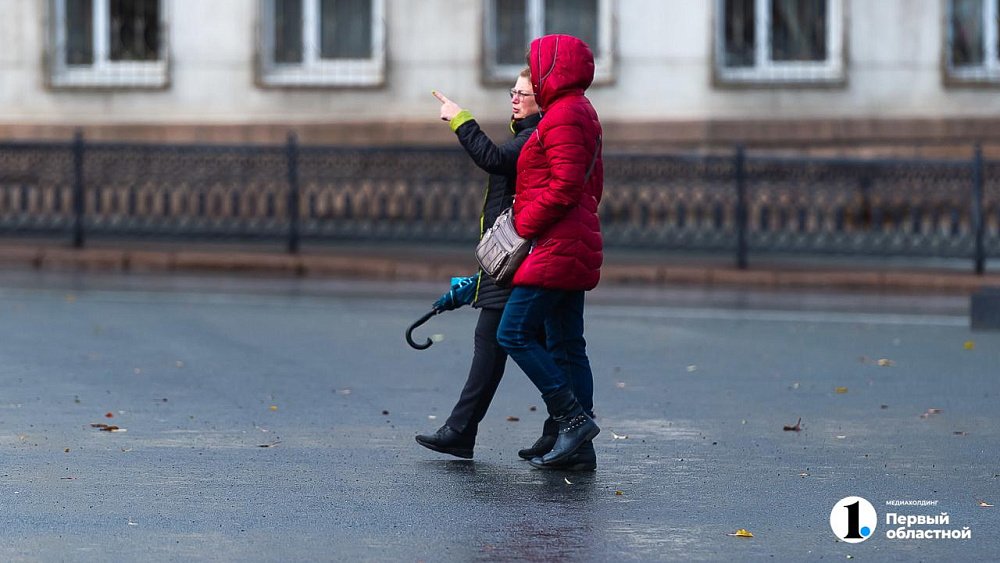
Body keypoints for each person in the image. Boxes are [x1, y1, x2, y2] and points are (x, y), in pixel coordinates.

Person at [415, 69, 542, 459]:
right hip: (505, 257)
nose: (515, 98)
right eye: (513, 92)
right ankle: (564, 424)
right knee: (526, 343)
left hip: (514, 257)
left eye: (524, 93)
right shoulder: (528, 134)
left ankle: (568, 421)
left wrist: (460, 118)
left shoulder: (533, 138)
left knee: (501, 342)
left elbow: (491, 159)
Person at [496, 34, 604, 472]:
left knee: (513, 332)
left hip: (556, 243)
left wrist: (523, 223)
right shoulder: (580, 111)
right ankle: (578, 447)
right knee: (565, 344)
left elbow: (563, 187)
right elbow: (589, 185)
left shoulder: (562, 115)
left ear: (552, 68)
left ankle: (573, 420)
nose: (533, 75)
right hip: (572, 239)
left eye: (535, 66)